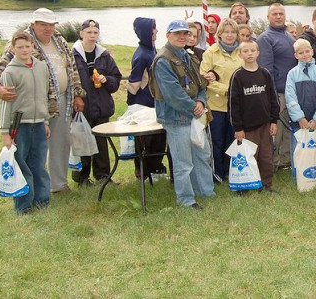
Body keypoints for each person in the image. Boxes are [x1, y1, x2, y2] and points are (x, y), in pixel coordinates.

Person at [0, 8, 85, 194]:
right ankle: (32, 188)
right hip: (34, 103)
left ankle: (58, 184)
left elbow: (71, 68)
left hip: (63, 99)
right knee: (35, 147)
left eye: (51, 25)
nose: (48, 29)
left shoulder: (60, 40)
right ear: (34, 25)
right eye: (43, 25)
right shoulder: (23, 41)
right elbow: (0, 68)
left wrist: (78, 93)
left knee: (62, 141)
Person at [149, 20, 215, 210]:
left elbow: (201, 83)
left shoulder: (188, 56)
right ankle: (186, 200)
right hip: (176, 118)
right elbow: (172, 94)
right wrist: (194, 107)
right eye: (177, 33)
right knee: (183, 162)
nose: (182, 37)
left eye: (185, 33)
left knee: (202, 155)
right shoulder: (162, 60)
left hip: (195, 115)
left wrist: (201, 101)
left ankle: (206, 191)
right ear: (168, 35)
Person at [0, 31, 52, 214]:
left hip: (38, 124)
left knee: (39, 164)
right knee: (22, 164)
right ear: (13, 49)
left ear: (33, 47)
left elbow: (44, 96)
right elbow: (6, 103)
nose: (24, 50)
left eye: (27, 46)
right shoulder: (10, 72)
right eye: (19, 47)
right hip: (19, 125)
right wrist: (5, 132)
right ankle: (23, 205)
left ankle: (42, 200)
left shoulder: (42, 68)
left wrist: (45, 121)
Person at [71, 20, 122, 187]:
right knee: (82, 141)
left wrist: (106, 79)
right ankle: (82, 178)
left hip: (101, 105)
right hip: (81, 106)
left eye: (95, 33)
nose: (92, 36)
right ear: (81, 34)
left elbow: (116, 79)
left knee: (101, 144)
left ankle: (103, 176)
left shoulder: (104, 55)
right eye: (89, 32)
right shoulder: (73, 55)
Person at [228, 40, 279, 192]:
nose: (249, 53)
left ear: (258, 53)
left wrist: (274, 121)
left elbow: (273, 98)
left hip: (265, 124)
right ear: (240, 54)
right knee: (248, 157)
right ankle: (245, 185)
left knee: (266, 156)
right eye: (246, 51)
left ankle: (266, 184)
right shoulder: (238, 76)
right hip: (247, 127)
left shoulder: (265, 73)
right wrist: (238, 127)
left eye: (252, 50)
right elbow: (233, 104)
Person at [201, 18, 243, 181]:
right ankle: (217, 173)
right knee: (217, 140)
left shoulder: (241, 52)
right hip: (216, 105)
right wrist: (229, 90)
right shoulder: (210, 53)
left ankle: (230, 171)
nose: (230, 35)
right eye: (226, 32)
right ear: (219, 34)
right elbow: (205, 79)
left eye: (233, 32)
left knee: (233, 140)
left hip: (235, 106)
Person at [256, 3, 297, 170]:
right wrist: (272, 97)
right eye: (275, 14)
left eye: (281, 13)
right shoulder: (265, 38)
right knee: (277, 130)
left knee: (288, 128)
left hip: (291, 91)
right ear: (268, 17)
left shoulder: (289, 37)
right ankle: (273, 162)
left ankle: (285, 159)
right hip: (277, 92)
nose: (278, 16)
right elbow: (266, 70)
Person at [127, 17, 169, 178]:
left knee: (158, 138)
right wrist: (131, 102)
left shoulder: (151, 49)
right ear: (146, 31)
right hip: (144, 103)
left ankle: (156, 167)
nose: (156, 31)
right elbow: (134, 82)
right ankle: (143, 171)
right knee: (146, 140)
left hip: (155, 101)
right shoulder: (142, 55)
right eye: (153, 28)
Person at [285, 38, 316, 159]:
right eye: (301, 53)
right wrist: (300, 118)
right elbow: (290, 97)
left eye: (307, 51)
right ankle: (298, 175)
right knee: (298, 152)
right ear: (296, 55)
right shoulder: (292, 74)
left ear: (312, 52)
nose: (305, 55)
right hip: (298, 122)